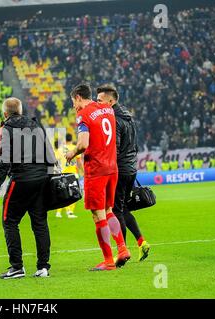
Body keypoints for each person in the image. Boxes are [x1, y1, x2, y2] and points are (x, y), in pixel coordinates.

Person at [65, 83, 130, 271]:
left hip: (96, 170)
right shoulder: (107, 109)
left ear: (78, 97)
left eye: (73, 102)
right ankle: (123, 249)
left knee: (97, 214)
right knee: (109, 210)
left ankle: (108, 261)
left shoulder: (83, 115)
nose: (73, 107)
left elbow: (84, 144)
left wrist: (72, 153)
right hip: (112, 168)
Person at [0, 97, 55, 279]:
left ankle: (17, 267)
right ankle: (43, 267)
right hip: (41, 177)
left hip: (22, 178)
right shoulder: (35, 124)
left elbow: (4, 158)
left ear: (5, 113)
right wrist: (49, 176)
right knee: (40, 223)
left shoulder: (6, 128)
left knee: (9, 221)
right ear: (20, 110)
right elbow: (49, 152)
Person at [96, 84, 150, 262]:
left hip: (118, 169)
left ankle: (122, 252)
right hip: (131, 168)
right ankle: (141, 241)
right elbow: (134, 145)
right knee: (124, 208)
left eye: (100, 101)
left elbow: (115, 148)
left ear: (110, 101)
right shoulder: (128, 117)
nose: (98, 104)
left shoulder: (114, 119)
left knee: (115, 210)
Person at [54, 134, 83, 219]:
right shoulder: (75, 148)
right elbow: (79, 161)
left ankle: (58, 212)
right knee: (74, 193)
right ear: (71, 139)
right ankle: (70, 212)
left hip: (62, 173)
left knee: (62, 193)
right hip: (72, 173)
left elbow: (55, 161)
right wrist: (83, 171)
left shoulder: (61, 149)